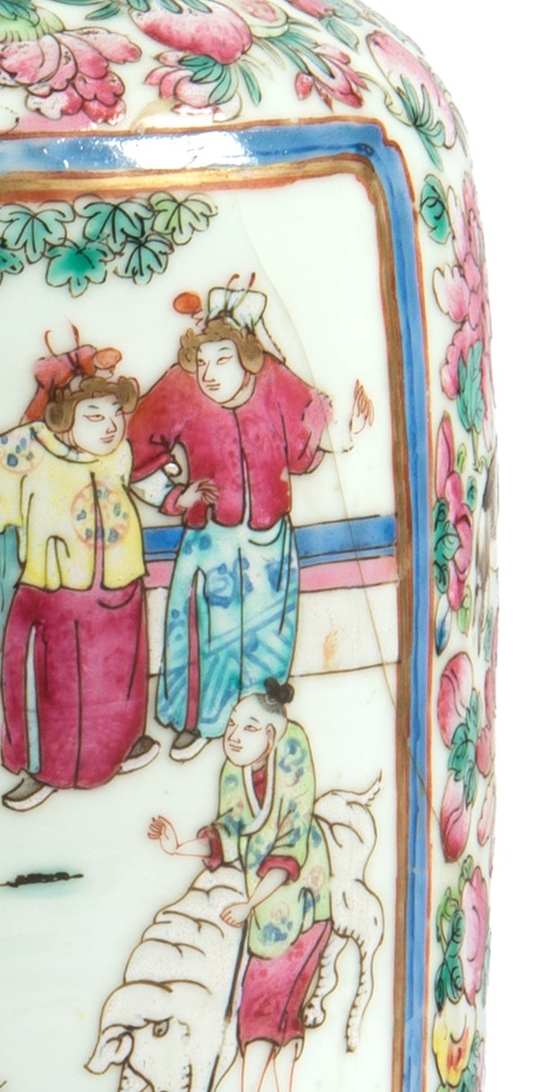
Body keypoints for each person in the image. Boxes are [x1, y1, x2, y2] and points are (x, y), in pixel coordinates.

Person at [0, 338, 162, 810]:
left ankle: (118, 749)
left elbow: (149, 479)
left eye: (114, 414)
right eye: (94, 415)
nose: (109, 426)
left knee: (118, 680)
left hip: (119, 588)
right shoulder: (32, 449)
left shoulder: (118, 453)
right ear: (64, 417)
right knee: (52, 689)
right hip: (55, 593)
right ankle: (42, 770)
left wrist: (182, 494)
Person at [125, 279, 377, 758]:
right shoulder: (180, 386)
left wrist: (346, 435)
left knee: (267, 633)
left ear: (246, 354)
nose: (209, 373)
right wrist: (175, 496)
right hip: (210, 539)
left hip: (268, 539)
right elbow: (133, 449)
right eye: (202, 361)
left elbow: (310, 432)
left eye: (223, 358)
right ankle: (198, 723)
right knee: (205, 635)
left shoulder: (274, 380)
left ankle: (259, 725)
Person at [147, 682, 336, 1092]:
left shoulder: (294, 760)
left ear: (270, 737)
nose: (233, 735)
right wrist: (179, 847)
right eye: (231, 725)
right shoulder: (235, 769)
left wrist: (251, 903)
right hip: (264, 909)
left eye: (248, 728)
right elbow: (229, 830)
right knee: (273, 1015)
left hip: (302, 904)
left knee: (259, 1019)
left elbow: (292, 843)